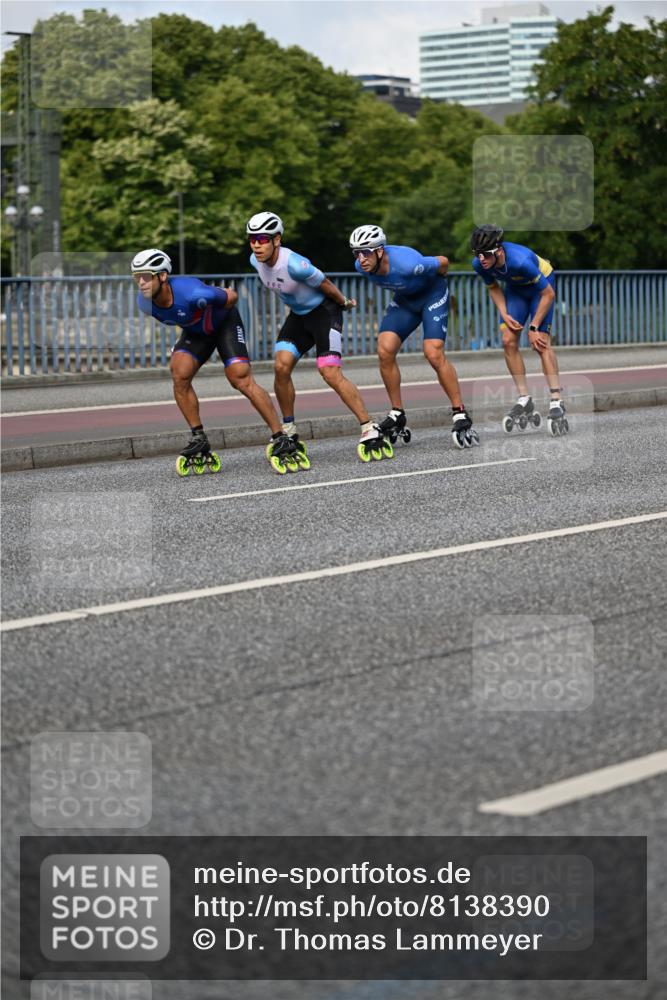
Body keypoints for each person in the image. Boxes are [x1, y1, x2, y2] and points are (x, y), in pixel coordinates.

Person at [130, 248, 295, 475]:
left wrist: (210, 308)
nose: (141, 283)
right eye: (137, 277)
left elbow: (232, 296)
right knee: (179, 374)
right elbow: (180, 317)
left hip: (224, 324)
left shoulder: (193, 292)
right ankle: (198, 437)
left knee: (240, 378)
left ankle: (280, 436)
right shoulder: (144, 303)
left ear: (163, 276)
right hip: (197, 332)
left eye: (146, 276)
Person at [247, 212, 392, 462]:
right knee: (281, 367)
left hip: (325, 312)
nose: (256, 245)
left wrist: (344, 302)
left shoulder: (295, 264)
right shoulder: (254, 260)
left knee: (329, 372)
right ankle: (289, 430)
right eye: (252, 239)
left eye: (262, 239)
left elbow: (324, 283)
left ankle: (369, 426)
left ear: (277, 240)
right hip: (299, 317)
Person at [349, 225, 479, 449]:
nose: (361, 259)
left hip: (432, 296)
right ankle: (397, 412)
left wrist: (438, 281)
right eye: (356, 253)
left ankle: (459, 412)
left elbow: (444, 262)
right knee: (385, 350)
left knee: (433, 353)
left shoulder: (408, 263)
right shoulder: (362, 267)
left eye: (366, 252)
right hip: (405, 302)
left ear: (380, 251)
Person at [470, 225, 568, 435]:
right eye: (477, 254)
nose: (481, 259)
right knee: (508, 340)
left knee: (540, 342)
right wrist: (504, 313)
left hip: (541, 290)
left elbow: (548, 294)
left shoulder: (520, 261)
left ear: (499, 251)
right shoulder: (479, 263)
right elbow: (493, 287)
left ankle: (556, 400)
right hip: (516, 291)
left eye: (486, 254)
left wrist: (533, 327)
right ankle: (524, 398)